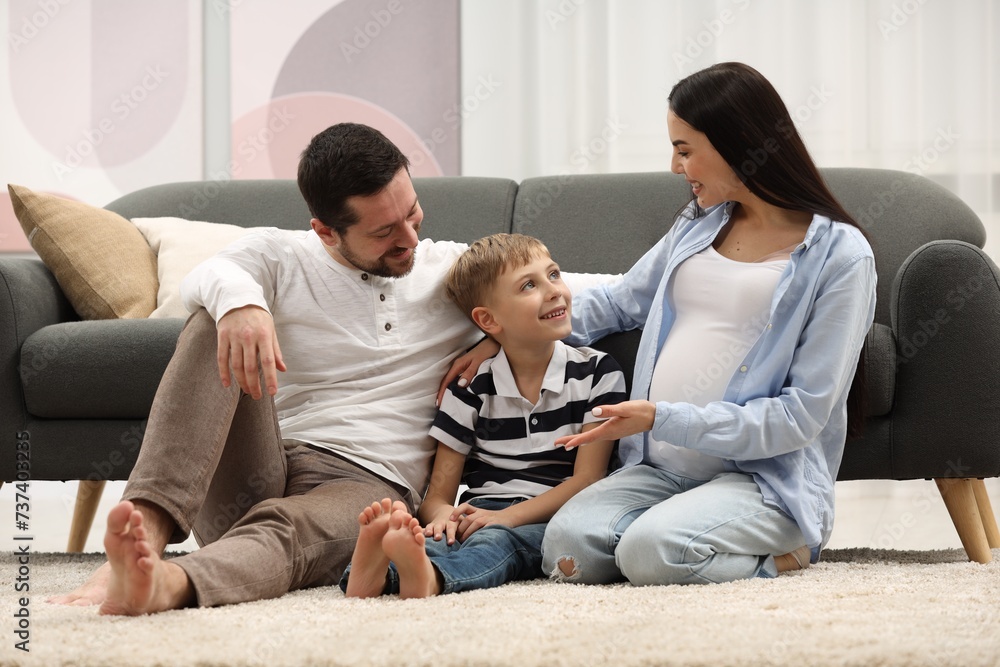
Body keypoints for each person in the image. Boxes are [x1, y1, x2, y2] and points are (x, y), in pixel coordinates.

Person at [50, 124, 615, 615]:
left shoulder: (450, 271)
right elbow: (211, 274)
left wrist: (498, 341)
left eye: (412, 213)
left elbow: (587, 295)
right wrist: (244, 306)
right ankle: (146, 527)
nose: (409, 239)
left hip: (362, 483)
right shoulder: (280, 254)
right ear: (326, 231)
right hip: (263, 460)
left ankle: (168, 582)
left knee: (289, 530)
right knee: (214, 317)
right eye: (384, 232)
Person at [448, 62, 877, 586]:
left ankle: (789, 552)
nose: (676, 166)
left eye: (685, 148)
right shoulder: (699, 223)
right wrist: (502, 340)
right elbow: (622, 301)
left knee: (652, 553)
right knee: (567, 551)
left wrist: (661, 417)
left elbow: (800, 416)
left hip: (760, 479)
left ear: (737, 143)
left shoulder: (839, 255)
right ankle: (673, 532)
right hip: (658, 469)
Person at [341, 234, 627, 599]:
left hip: (550, 516)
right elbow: (438, 496)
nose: (555, 291)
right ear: (488, 320)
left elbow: (587, 479)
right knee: (431, 537)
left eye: (554, 274)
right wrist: (443, 517)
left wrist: (506, 518)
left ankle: (430, 579)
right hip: (480, 510)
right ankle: (370, 573)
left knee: (497, 545)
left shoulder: (598, 373)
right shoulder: (471, 385)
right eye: (529, 285)